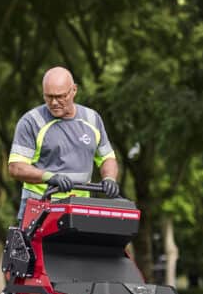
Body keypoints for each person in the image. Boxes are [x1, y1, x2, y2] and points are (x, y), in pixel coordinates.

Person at [7, 66, 119, 220]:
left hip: (78, 209)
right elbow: (15, 167)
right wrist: (49, 177)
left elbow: (107, 157)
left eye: (60, 96)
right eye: (48, 96)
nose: (54, 102)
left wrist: (109, 179)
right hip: (39, 210)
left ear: (74, 90)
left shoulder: (92, 119)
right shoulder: (31, 122)